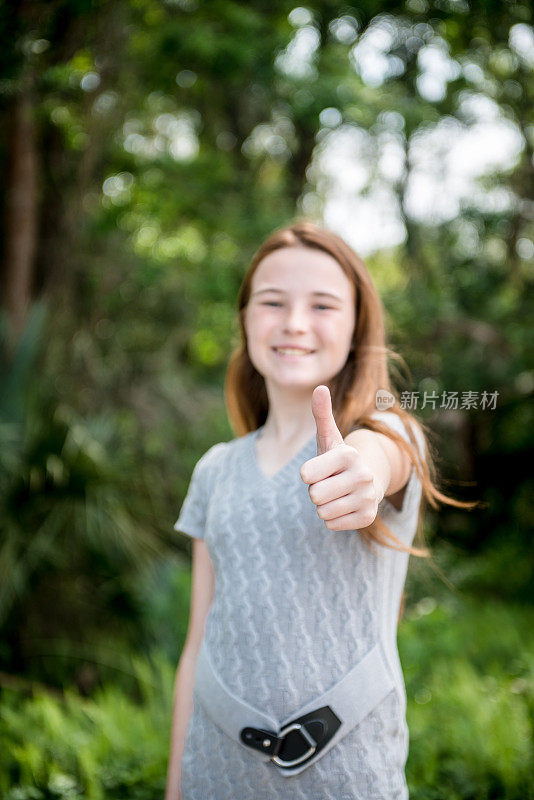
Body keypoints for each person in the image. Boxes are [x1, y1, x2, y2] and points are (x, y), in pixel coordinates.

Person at [165, 221, 469, 800]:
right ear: (246, 319)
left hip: (347, 775)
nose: (294, 323)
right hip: (213, 768)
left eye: (323, 305)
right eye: (272, 302)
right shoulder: (214, 469)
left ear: (357, 326)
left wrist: (363, 472)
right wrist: (176, 786)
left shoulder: (386, 433)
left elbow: (381, 460)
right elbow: (197, 641)